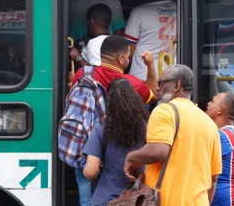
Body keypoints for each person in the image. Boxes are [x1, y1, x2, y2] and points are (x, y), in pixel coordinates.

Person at [124, 64, 223, 205]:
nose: (158, 88)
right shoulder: (209, 123)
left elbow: (157, 152)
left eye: (162, 83)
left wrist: (131, 156)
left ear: (177, 85)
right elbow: (213, 179)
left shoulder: (164, 111)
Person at [82, 78, 148, 206]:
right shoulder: (148, 128)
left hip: (107, 199)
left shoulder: (101, 128)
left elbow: (90, 172)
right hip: (139, 198)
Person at [71, 35, 158, 105]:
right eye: (128, 56)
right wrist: (150, 65)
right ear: (121, 59)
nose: (129, 59)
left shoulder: (83, 74)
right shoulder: (133, 84)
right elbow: (154, 94)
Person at [123, 0, 177, 81]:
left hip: (143, 75)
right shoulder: (180, 8)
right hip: (171, 73)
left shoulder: (139, 12)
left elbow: (129, 48)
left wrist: (123, 70)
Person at [206, 92, 234, 206]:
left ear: (221, 110)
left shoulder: (222, 136)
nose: (208, 103)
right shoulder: (230, 133)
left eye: (213, 101)